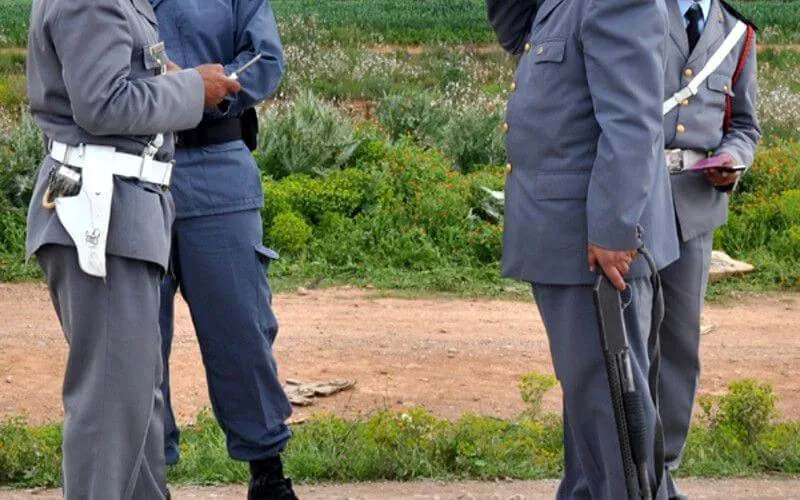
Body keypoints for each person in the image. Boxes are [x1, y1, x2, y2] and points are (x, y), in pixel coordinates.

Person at [25, 0, 239, 497]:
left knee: (135, 402)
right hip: (103, 214)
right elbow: (102, 105)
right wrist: (192, 89)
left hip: (120, 213)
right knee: (110, 410)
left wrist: (172, 76)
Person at [487, 0, 679, 498]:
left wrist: (616, 230)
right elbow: (511, 29)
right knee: (590, 412)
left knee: (613, 419)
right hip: (564, 238)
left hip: (595, 249)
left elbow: (633, 121)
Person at [147, 1, 296, 497]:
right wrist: (188, 88)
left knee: (242, 330)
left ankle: (267, 472)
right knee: (137, 339)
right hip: (131, 169)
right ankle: (147, 476)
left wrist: (205, 95)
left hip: (216, 164)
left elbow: (265, 60)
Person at [660, 1, 760, 498]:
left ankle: (661, 470)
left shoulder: (737, 32)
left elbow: (746, 125)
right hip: (631, 201)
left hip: (694, 207)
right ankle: (616, 464)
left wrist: (733, 158)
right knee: (619, 343)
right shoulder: (633, 11)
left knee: (680, 346)